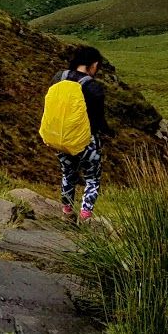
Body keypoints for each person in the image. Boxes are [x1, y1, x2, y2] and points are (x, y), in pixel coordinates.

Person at [41, 45, 116, 223]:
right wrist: (109, 133)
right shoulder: (93, 87)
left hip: (63, 138)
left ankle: (67, 212)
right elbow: (99, 120)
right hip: (86, 141)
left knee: (68, 175)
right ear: (94, 65)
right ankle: (85, 215)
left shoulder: (59, 77)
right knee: (92, 179)